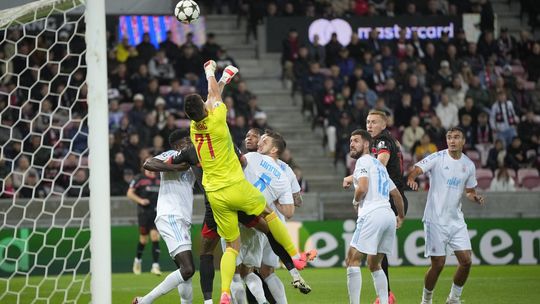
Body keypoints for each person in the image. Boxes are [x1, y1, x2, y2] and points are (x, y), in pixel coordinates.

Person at [183, 60, 310, 303]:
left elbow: (207, 100)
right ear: (206, 110)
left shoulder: (193, 129)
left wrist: (223, 80)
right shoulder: (218, 121)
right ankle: (295, 256)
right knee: (269, 214)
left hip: (215, 195)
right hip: (235, 186)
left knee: (231, 247)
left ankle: (224, 294)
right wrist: (211, 72)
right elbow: (213, 95)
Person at [406, 127, 486, 304]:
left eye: (456, 137)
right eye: (449, 137)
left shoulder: (469, 165)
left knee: (466, 261)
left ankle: (453, 298)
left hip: (456, 220)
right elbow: (417, 168)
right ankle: (426, 300)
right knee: (438, 264)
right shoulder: (438, 157)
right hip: (435, 219)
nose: (452, 140)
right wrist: (411, 178)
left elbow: (469, 190)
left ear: (463, 141)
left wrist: (475, 197)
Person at [343, 110, 407, 304]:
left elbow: (362, 188)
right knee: (374, 263)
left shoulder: (363, 161)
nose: (351, 144)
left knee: (352, 259)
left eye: (355, 141)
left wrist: (355, 200)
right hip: (388, 215)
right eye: (350, 141)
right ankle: (385, 300)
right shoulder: (379, 166)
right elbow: (396, 195)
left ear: (365, 144)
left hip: (371, 214)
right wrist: (401, 217)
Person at [133, 130, 197, 304]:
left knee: (185, 273)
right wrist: (175, 167)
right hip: (171, 215)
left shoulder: (192, 159)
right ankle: (144, 301)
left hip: (182, 218)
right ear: (178, 145)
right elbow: (148, 162)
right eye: (186, 140)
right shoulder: (172, 154)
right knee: (188, 269)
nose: (190, 143)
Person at [127, 168, 162, 276]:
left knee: (155, 237)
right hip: (144, 213)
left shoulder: (159, 178)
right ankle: (137, 261)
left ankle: (155, 266)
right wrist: (141, 201)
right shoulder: (139, 178)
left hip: (156, 213)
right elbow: (129, 193)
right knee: (143, 240)